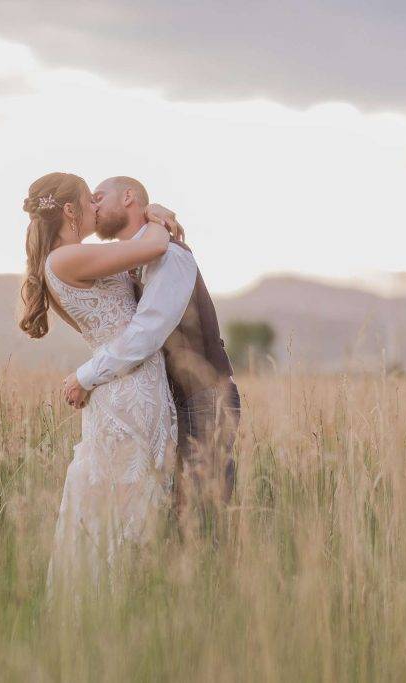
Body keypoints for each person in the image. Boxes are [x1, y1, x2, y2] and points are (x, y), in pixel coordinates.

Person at [18, 172, 182, 587]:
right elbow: (155, 245)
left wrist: (151, 212)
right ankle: (115, 601)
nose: (96, 207)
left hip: (130, 382)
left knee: (127, 502)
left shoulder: (65, 260)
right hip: (126, 389)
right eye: (89, 202)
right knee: (125, 509)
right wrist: (156, 213)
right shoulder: (65, 259)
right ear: (70, 211)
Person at [61, 176, 240, 537]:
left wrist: (86, 376)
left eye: (98, 197)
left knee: (203, 518)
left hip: (203, 398)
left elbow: (146, 332)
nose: (92, 207)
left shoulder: (171, 254)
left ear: (129, 197)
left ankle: (216, 589)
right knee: (173, 519)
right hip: (167, 405)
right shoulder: (130, 260)